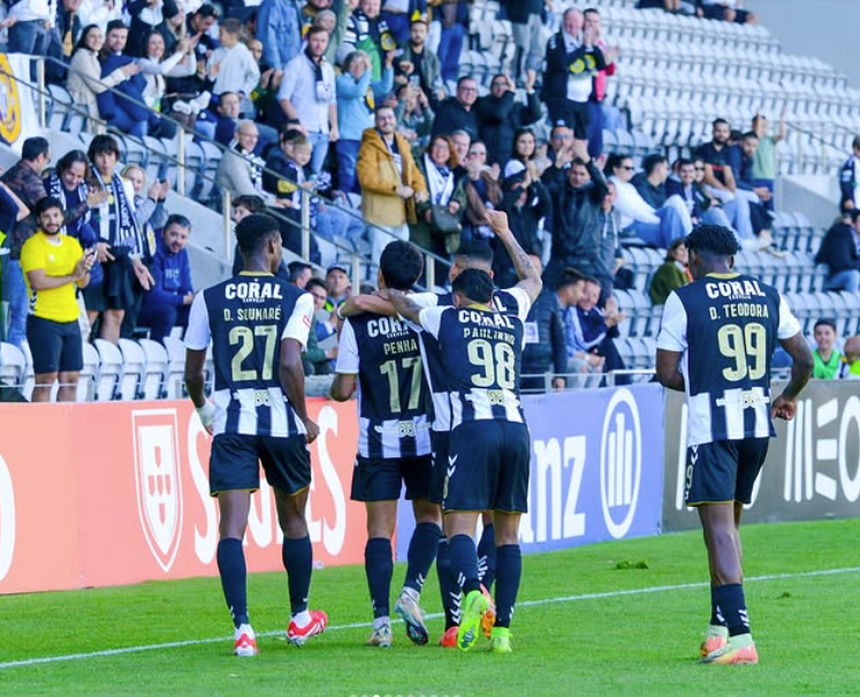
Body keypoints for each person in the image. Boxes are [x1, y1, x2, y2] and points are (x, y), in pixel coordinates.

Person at [383, 209, 542, 653]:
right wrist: (505, 231)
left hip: (471, 429)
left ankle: (472, 590)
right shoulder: (512, 312)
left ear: (457, 297)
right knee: (508, 535)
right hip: (517, 428)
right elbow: (532, 279)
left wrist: (390, 283)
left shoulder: (446, 317)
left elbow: (402, 304)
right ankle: (503, 631)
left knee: (457, 527)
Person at [655, 224, 813, 665]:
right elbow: (804, 358)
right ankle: (719, 627)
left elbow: (666, 372)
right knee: (728, 528)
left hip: (714, 428)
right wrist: (787, 396)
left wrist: (703, 385)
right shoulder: (768, 294)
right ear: (733, 258)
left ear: (693, 259)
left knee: (718, 529)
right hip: (757, 426)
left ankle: (742, 637)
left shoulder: (685, 299)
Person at [184, 213, 328, 657]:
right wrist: (304, 418)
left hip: (232, 423)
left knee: (231, 527)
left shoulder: (208, 298)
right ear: (272, 246)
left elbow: (193, 373)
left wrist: (204, 409)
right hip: (282, 424)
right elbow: (290, 362)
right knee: (294, 521)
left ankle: (243, 629)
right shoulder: (296, 297)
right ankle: (299, 618)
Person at [330, 240, 440, 648]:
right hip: (425, 434)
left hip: (378, 440)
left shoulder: (357, 325)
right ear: (417, 276)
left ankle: (380, 625)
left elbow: (343, 390)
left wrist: (345, 310)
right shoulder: (429, 309)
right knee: (430, 518)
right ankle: (411, 592)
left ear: (379, 274)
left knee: (379, 530)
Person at [20, 197, 96, 402]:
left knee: (71, 379)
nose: (52, 220)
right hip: (43, 319)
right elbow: (38, 281)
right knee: (46, 379)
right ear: (39, 220)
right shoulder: (33, 246)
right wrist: (72, 276)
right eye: (46, 216)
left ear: (62, 217)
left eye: (55, 215)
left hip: (70, 319)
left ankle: (65, 421)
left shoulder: (72, 244)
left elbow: (83, 283)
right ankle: (41, 421)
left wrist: (84, 269)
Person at [357, 105, 429, 267]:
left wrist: (420, 189)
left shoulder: (402, 144)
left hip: (401, 212)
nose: (386, 121)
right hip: (379, 213)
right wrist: (395, 189)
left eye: (389, 117)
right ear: (376, 122)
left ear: (395, 120)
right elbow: (366, 178)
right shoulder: (369, 146)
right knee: (380, 260)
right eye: (382, 118)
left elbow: (414, 172)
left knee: (401, 261)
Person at [1, 136, 51, 350]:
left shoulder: (10, 174)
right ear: (40, 157)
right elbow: (50, 214)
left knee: (10, 317)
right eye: (47, 160)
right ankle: (9, 367)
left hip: (8, 253)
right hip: (19, 254)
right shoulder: (31, 179)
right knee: (18, 319)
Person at [277, 25, 338, 175]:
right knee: (298, 171)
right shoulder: (295, 64)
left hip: (323, 130)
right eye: (315, 40)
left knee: (314, 175)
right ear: (307, 40)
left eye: (323, 41)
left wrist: (334, 126)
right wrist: (297, 123)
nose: (319, 45)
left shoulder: (328, 68)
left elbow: (332, 100)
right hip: (303, 128)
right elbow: (283, 98)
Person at [541, 8, 605, 150]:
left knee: (581, 140)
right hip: (562, 99)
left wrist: (593, 45)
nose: (572, 24)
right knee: (563, 138)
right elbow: (562, 64)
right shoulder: (556, 40)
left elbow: (601, 65)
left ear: (582, 22)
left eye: (575, 20)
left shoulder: (584, 39)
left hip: (583, 101)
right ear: (563, 21)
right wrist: (583, 48)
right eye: (568, 20)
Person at [68, 25, 141, 132]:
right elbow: (97, 86)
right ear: (84, 38)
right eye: (92, 36)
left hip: (93, 108)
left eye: (99, 37)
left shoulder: (92, 56)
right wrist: (121, 72)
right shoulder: (82, 56)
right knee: (137, 123)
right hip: (83, 107)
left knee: (139, 121)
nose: (97, 40)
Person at [138, 214, 194, 343]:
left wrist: (192, 298)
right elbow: (153, 296)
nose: (178, 241)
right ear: (163, 233)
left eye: (183, 237)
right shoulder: (153, 250)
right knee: (168, 313)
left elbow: (186, 287)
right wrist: (185, 299)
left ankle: (188, 351)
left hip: (170, 305)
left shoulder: (182, 252)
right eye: (173, 234)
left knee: (197, 312)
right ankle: (157, 352)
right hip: (144, 307)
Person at [815, 209, 860, 293]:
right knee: (854, 276)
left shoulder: (856, 238)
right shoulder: (840, 233)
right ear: (853, 224)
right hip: (830, 276)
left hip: (846, 271)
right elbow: (842, 263)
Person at [649, 238, 691, 305]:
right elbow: (677, 292)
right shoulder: (669, 268)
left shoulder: (681, 269)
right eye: (681, 250)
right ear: (673, 252)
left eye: (687, 250)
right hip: (663, 305)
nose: (685, 253)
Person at [839, 136, 860, 211]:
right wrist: (848, 198)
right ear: (855, 149)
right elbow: (847, 182)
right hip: (854, 203)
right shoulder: (850, 163)